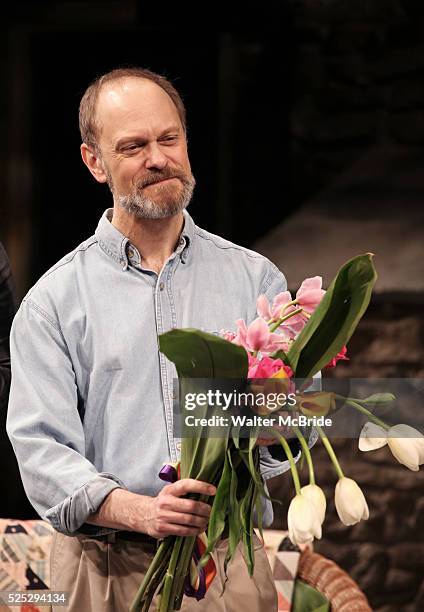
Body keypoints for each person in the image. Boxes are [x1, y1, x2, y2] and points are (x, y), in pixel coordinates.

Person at [7, 68, 307, 611]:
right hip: (102, 571)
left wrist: (277, 432)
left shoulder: (256, 281)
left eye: (169, 139)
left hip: (226, 562)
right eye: (133, 146)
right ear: (94, 162)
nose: (158, 158)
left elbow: (282, 439)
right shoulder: (53, 302)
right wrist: (142, 511)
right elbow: (40, 453)